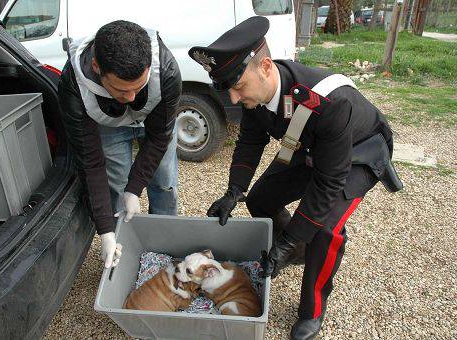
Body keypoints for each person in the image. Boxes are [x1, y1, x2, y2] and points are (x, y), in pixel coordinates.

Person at [189, 16, 402, 339]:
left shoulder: (329, 102)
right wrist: (235, 191)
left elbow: (329, 181)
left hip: (358, 152)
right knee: (261, 199)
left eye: (239, 86)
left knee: (325, 231)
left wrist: (290, 238)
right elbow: (250, 141)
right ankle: (299, 253)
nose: (233, 98)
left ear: (265, 68)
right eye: (229, 89)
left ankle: (312, 311)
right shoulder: (254, 92)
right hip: (309, 146)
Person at [58, 20, 182, 269]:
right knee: (115, 185)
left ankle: (164, 248)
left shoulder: (166, 70)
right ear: (96, 66)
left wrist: (135, 188)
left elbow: (159, 138)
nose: (131, 98)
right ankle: (117, 248)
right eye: (121, 90)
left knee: (165, 181)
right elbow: (91, 163)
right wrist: (103, 230)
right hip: (106, 124)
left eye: (138, 87)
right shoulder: (73, 86)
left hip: (155, 116)